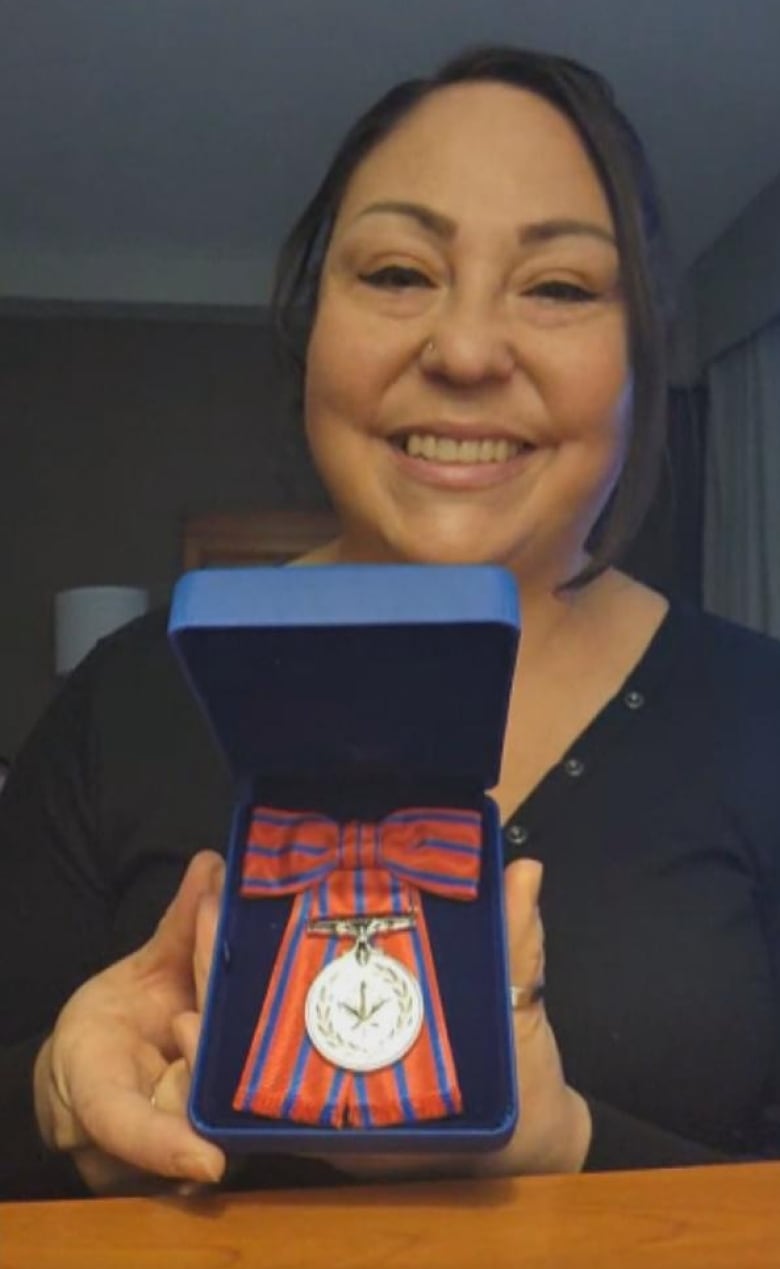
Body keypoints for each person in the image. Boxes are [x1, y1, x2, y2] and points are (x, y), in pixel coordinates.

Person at [3, 43, 780, 1201]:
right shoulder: (118, 704)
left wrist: (566, 1147)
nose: (464, 352)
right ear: (314, 321)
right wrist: (52, 1102)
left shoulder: (760, 716)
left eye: (560, 286)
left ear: (642, 354)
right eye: (400, 273)